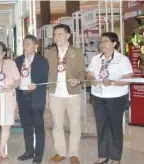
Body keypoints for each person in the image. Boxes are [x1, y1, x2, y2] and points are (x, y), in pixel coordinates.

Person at [87, 32, 132, 164]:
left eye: (106, 41)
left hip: (116, 97)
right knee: (101, 126)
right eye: (101, 42)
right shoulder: (96, 58)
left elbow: (128, 79)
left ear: (114, 43)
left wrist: (112, 82)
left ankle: (115, 158)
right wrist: (92, 80)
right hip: (98, 96)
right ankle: (102, 155)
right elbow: (89, 74)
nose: (102, 44)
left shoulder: (122, 59)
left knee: (114, 127)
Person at [46, 24, 86, 164]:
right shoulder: (49, 53)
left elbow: (82, 72)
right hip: (55, 93)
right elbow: (47, 73)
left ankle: (74, 154)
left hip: (73, 94)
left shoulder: (77, 52)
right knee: (57, 124)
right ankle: (60, 152)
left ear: (68, 36)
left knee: (75, 124)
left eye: (60, 34)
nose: (57, 37)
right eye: (55, 34)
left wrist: (78, 80)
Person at [15, 35, 49, 164]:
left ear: (36, 46)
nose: (25, 47)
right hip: (22, 96)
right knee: (26, 126)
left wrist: (36, 83)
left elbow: (44, 78)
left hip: (36, 97)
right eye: (24, 44)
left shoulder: (42, 61)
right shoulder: (18, 60)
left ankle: (38, 155)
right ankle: (29, 151)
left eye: (28, 44)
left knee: (38, 127)